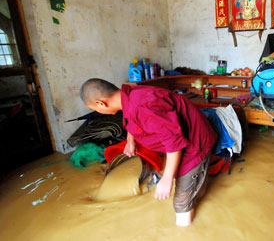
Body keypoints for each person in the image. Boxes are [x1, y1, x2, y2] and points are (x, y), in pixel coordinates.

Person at [80, 78, 217, 226]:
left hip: (195, 144)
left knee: (181, 203)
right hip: (182, 137)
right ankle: (196, 186)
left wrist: (167, 179)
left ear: (101, 103)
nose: (98, 112)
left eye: (95, 110)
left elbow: (174, 143)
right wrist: (130, 141)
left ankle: (186, 228)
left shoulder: (143, 105)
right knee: (183, 180)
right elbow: (133, 119)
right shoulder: (128, 95)